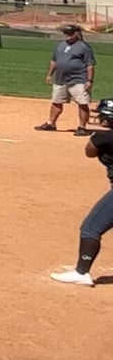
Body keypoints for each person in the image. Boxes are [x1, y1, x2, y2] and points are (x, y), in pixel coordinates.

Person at [49, 116, 113, 286]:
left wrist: (97, 136)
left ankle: (81, 272)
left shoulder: (103, 138)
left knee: (91, 228)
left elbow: (89, 152)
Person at [37, 24, 96, 135]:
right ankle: (51, 123)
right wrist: (49, 75)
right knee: (56, 102)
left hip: (78, 79)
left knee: (82, 103)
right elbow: (54, 61)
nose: (67, 35)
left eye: (70, 33)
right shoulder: (61, 45)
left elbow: (90, 65)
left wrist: (89, 80)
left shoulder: (84, 47)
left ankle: (82, 127)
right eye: (66, 33)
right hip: (60, 79)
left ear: (77, 33)